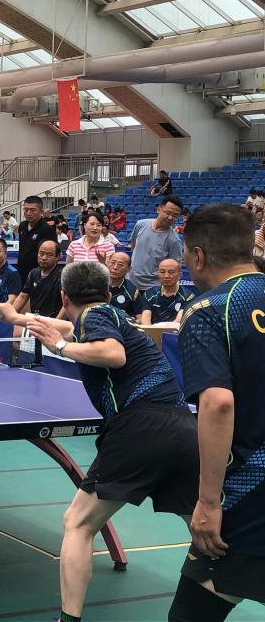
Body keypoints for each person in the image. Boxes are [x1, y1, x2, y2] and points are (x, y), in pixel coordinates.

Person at [0, 262, 197, 622]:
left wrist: (59, 347)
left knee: (78, 523)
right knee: (204, 530)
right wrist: (17, 317)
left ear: (64, 297)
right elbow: (68, 327)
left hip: (141, 427)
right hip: (182, 427)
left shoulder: (95, 315)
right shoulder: (112, 315)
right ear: (107, 292)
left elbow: (112, 354)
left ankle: (69, 619)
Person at [169, 204, 265, 620]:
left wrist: (208, 502)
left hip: (250, 491)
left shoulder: (207, 311)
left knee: (191, 614)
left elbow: (218, 402)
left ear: (198, 256)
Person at [129, 196, 184, 290]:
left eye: (175, 216)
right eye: (168, 213)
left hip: (154, 287)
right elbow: (133, 246)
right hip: (131, 282)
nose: (170, 217)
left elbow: (174, 267)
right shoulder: (140, 225)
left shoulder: (174, 241)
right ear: (159, 209)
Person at [14, 239, 63, 317]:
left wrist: (56, 322)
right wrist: (11, 314)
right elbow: (23, 296)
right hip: (35, 318)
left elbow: (67, 305)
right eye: (41, 253)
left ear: (57, 257)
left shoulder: (62, 275)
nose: (44, 258)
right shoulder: (33, 273)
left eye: (49, 255)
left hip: (54, 320)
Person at [137, 258, 195, 325]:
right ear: (158, 273)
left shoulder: (188, 296)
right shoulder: (149, 294)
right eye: (162, 272)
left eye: (171, 272)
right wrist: (151, 330)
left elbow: (178, 322)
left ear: (180, 274)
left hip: (175, 331)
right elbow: (145, 320)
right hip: (152, 330)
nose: (166, 276)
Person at [17, 195, 60, 281]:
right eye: (26, 209)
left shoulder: (47, 229)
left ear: (41, 212)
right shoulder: (22, 226)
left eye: (33, 210)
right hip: (21, 272)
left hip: (38, 275)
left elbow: (53, 253)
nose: (28, 213)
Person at [106, 252, 143, 317]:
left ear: (129, 269)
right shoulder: (95, 284)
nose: (115, 267)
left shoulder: (132, 290)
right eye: (112, 263)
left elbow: (139, 316)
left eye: (120, 265)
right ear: (107, 263)